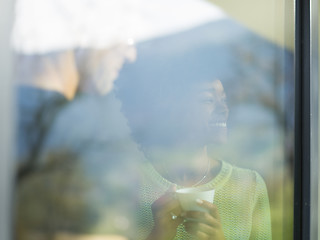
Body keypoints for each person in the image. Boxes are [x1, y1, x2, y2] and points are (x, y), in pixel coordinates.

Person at [116, 75, 272, 239]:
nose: (223, 109)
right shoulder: (129, 184)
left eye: (224, 99)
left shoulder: (250, 185)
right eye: (208, 99)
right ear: (172, 108)